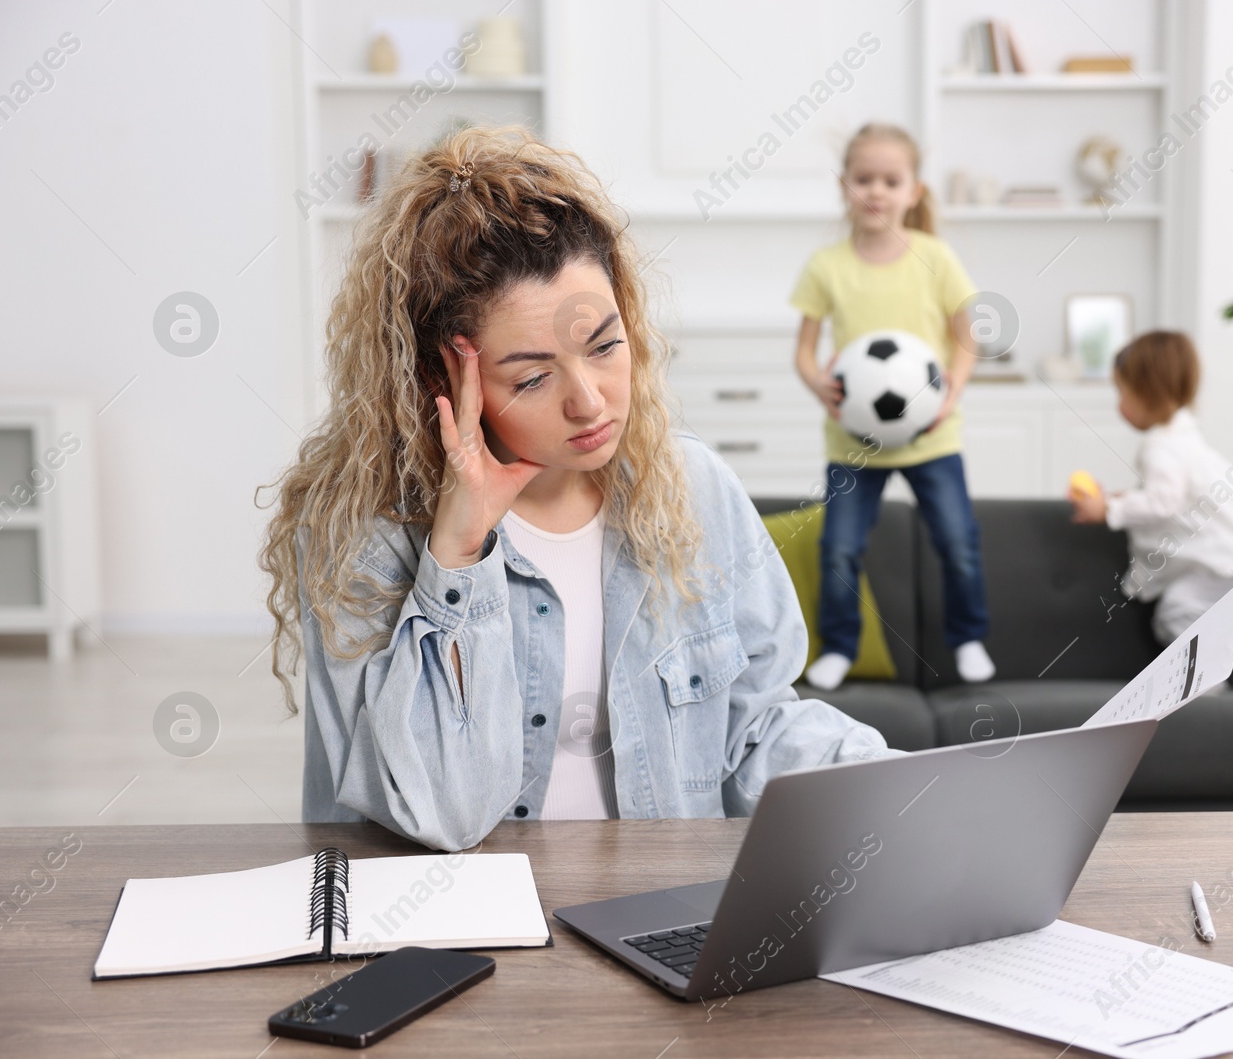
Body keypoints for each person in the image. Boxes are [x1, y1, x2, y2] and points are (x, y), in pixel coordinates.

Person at [257, 125, 895, 853]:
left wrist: (909, 787)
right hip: (446, 935)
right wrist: (458, 553)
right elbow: (441, 809)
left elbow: (752, 729)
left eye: (604, 346)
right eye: (531, 377)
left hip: (648, 919)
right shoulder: (360, 531)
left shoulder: (694, 488)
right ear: (439, 382)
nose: (590, 402)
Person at [789, 122, 995, 691]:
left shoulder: (935, 256)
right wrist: (817, 384)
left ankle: (968, 636)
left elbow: (968, 332)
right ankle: (839, 645)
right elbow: (805, 352)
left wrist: (952, 386)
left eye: (890, 179)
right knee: (840, 548)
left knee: (957, 541)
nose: (876, 190)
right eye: (864, 179)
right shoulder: (827, 266)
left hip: (933, 436)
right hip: (855, 442)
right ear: (844, 186)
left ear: (914, 191)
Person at [1070, 330, 1233, 643]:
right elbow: (1176, 495)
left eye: (1121, 392)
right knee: (1184, 609)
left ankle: (1205, 689)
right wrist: (1124, 497)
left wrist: (1107, 509)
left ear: (1147, 393)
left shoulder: (1160, 447)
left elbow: (1163, 503)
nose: (1118, 404)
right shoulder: (1180, 435)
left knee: (1176, 612)